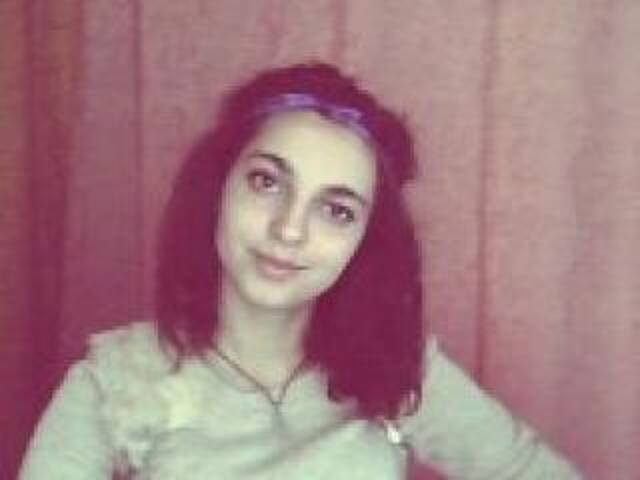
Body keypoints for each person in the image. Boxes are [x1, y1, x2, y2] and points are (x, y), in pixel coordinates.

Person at [19, 63, 582, 479]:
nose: (289, 229)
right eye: (267, 182)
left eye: (336, 210)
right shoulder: (114, 380)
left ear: (365, 241)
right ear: (217, 188)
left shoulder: (402, 369)